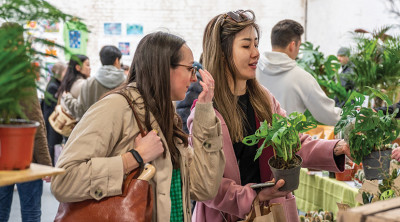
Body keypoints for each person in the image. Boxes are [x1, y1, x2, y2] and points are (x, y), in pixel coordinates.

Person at [191, 10, 351, 222]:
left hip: (271, 213)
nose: (256, 53)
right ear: (222, 52)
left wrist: (336, 148)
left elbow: (293, 143)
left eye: (256, 44)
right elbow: (206, 184)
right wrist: (253, 196)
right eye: (246, 46)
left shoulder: (263, 99)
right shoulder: (205, 112)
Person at [51, 31, 225, 221]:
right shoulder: (116, 107)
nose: (194, 78)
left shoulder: (166, 116)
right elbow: (63, 180)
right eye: (190, 69)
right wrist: (134, 157)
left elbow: (203, 188)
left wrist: (205, 112)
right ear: (164, 68)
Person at [257, 19, 341, 126]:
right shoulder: (301, 77)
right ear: (292, 45)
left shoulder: (253, 71)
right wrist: (355, 117)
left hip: (257, 141)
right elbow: (329, 116)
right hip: (289, 142)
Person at [0, 90, 52, 222]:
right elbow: (35, 123)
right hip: (24, 157)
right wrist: (45, 164)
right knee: (31, 211)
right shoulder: (22, 80)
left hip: (2, 157)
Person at [63, 46, 126, 120]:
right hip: (119, 129)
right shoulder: (127, 83)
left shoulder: (89, 83)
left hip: (93, 129)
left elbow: (80, 111)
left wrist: (67, 97)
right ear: (117, 60)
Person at [41, 61, 66, 166]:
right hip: (51, 119)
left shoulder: (56, 83)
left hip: (52, 117)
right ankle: (50, 165)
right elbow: (55, 105)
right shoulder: (53, 86)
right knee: (52, 142)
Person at [57, 54, 90, 121]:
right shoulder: (82, 84)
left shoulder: (67, 82)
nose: (90, 68)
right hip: (76, 125)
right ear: (78, 67)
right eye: (87, 65)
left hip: (65, 124)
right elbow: (83, 110)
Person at [176, 61, 203, 133]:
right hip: (189, 125)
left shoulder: (187, 80)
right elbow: (187, 107)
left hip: (184, 122)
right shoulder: (196, 82)